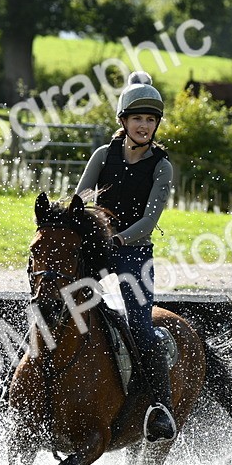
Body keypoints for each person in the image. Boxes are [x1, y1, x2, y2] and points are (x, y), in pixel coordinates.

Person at [74, 71, 176, 442]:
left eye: (150, 120)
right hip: (96, 250)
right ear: (123, 121)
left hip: (134, 256)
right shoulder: (104, 155)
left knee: (141, 326)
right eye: (138, 119)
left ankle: (160, 407)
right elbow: (81, 197)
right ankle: (14, 381)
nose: (144, 125)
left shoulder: (161, 166)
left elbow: (149, 221)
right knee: (54, 302)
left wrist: (116, 240)